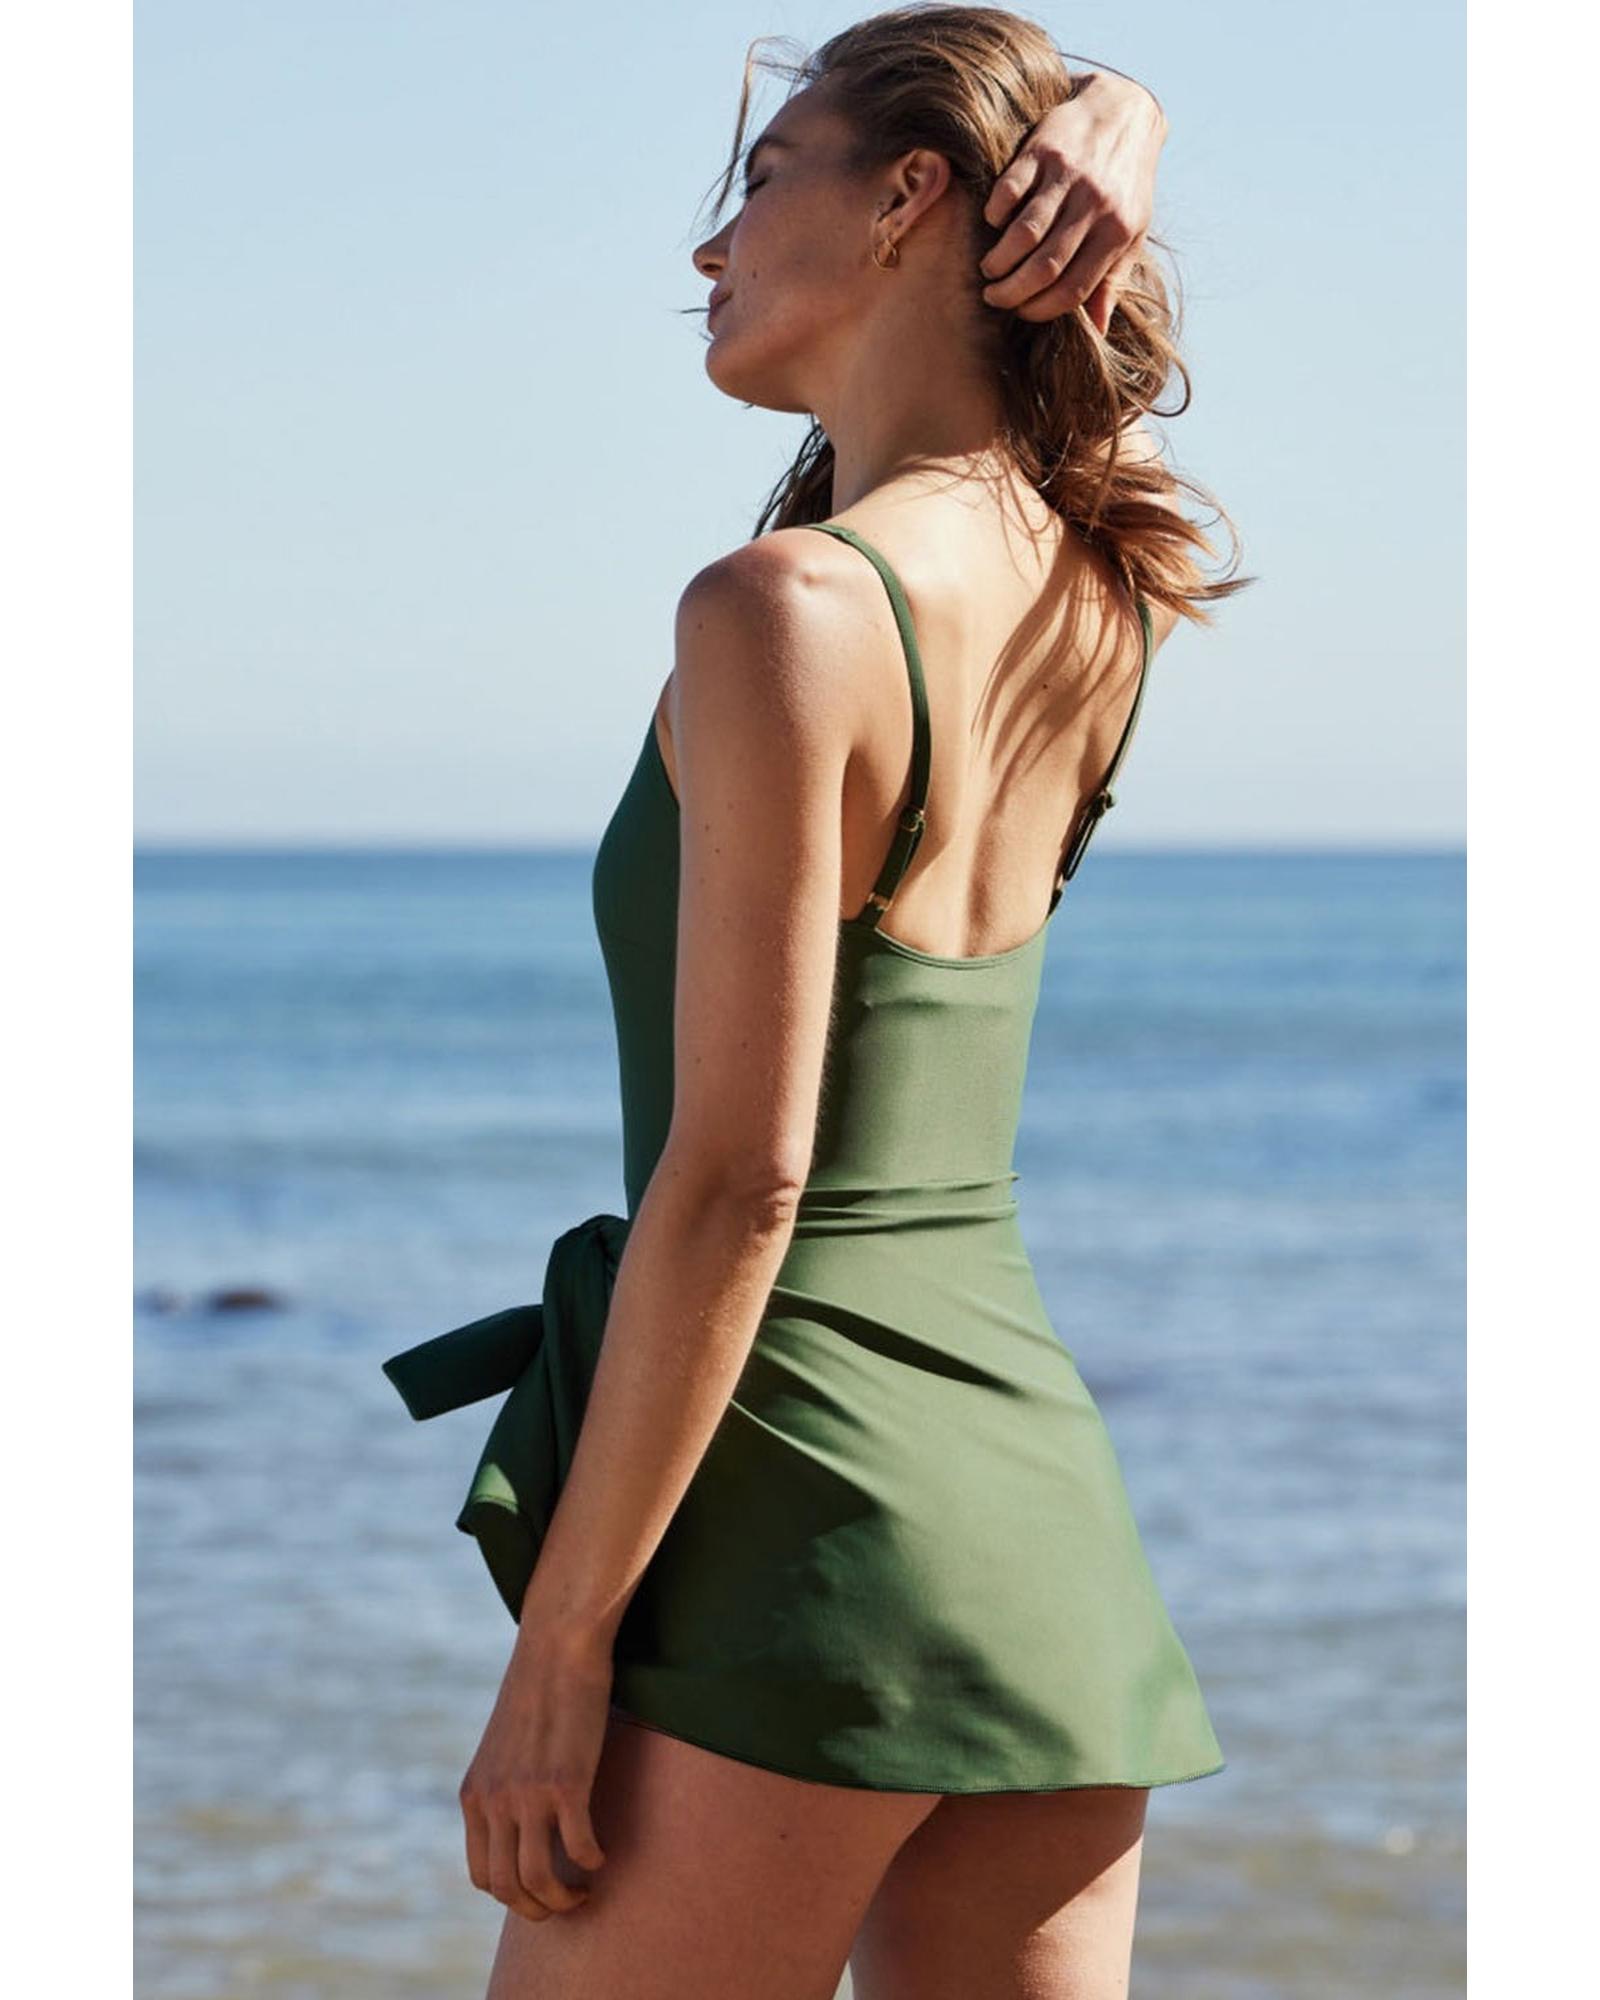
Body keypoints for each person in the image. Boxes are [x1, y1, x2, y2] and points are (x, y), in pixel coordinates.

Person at [382, 7, 1250, 1995]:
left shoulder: (781, 608)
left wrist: (559, 1649)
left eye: (763, 179)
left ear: (910, 198)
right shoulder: (1092, 590)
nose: (710, 244)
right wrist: (1126, 110)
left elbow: (742, 1180)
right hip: (1036, 1542)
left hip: (800, 1521)